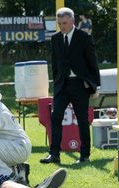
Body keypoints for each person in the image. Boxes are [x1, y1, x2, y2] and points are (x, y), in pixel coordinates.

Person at [41, 7, 100, 165]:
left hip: (79, 85)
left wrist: (96, 85)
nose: (62, 26)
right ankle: (54, 154)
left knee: (82, 120)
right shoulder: (55, 39)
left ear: (73, 21)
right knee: (55, 117)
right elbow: (55, 64)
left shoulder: (84, 37)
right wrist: (56, 83)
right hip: (62, 85)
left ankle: (84, 155)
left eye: (65, 23)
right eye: (59, 23)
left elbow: (92, 62)